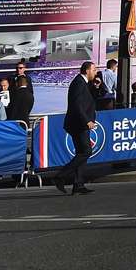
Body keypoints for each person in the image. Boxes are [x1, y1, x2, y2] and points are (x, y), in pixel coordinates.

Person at [59, 61, 97, 195]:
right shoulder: (79, 83)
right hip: (78, 124)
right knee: (86, 151)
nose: (95, 72)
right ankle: (61, 175)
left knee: (82, 152)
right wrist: (87, 121)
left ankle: (78, 184)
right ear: (87, 70)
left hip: (78, 123)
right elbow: (77, 105)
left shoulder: (84, 83)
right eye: (94, 69)